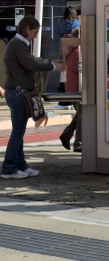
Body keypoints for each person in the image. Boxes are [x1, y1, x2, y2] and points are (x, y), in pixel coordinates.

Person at [1, 16, 65, 180]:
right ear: (27, 29)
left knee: (19, 131)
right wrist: (52, 65)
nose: (36, 36)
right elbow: (31, 64)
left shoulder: (18, 44)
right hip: (18, 93)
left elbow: (32, 61)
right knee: (18, 131)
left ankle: (20, 165)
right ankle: (9, 168)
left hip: (17, 92)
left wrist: (50, 62)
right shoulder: (17, 44)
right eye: (35, 32)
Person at [59, 27, 82, 152]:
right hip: (78, 89)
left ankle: (67, 134)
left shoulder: (68, 51)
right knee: (82, 115)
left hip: (70, 88)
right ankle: (78, 142)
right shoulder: (79, 53)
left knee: (81, 113)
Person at [58, 6, 79, 108]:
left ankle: (65, 100)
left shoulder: (61, 25)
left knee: (65, 75)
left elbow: (59, 37)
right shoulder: (78, 24)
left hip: (65, 51)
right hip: (76, 49)